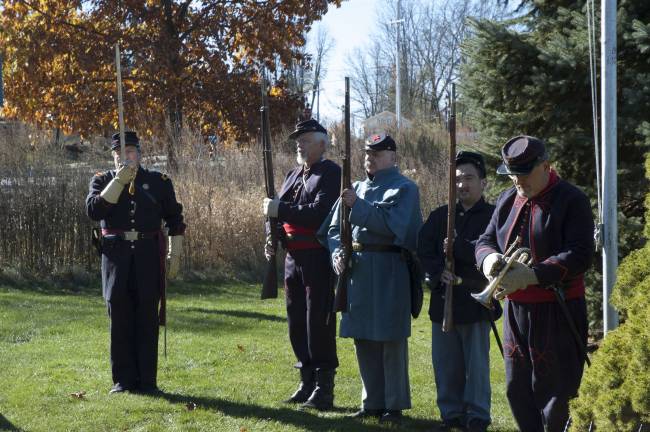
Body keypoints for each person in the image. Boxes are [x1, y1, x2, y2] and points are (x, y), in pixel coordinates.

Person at [475, 136, 594, 432]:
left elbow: (580, 254)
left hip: (558, 312)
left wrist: (532, 275)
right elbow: (485, 240)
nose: (517, 180)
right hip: (516, 314)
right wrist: (488, 261)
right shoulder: (506, 199)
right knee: (517, 391)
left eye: (524, 173)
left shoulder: (572, 199)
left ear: (546, 166)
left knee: (557, 397)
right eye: (513, 174)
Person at [319, 133, 422, 424]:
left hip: (390, 267)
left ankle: (394, 404)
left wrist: (358, 206)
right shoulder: (356, 188)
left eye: (378, 152)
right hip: (358, 270)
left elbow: (395, 228)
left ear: (393, 156)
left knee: (391, 339)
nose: (370, 157)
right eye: (367, 152)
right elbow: (334, 229)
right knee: (362, 337)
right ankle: (372, 402)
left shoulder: (405, 189)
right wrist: (337, 252)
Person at [86, 131, 186, 394]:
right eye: (119, 153)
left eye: (130, 151)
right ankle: (122, 380)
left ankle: (148, 381)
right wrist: (118, 182)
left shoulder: (158, 181)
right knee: (119, 318)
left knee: (146, 318)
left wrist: (175, 253)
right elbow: (94, 211)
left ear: (140, 154)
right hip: (115, 257)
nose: (125, 157)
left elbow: (175, 219)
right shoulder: (102, 180)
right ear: (113, 156)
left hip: (147, 256)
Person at [418, 151, 499, 432]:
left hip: (475, 304)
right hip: (444, 301)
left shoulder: (493, 216)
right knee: (446, 365)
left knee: (476, 367)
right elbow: (424, 250)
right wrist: (438, 271)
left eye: (468, 178)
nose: (462, 185)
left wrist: (457, 246)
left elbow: (489, 254)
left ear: (483, 183)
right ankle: (450, 415)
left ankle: (477, 416)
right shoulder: (440, 215)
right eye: (457, 180)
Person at [262, 119, 340, 410]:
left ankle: (323, 387)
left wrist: (279, 209)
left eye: (306, 139)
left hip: (317, 256)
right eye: (299, 140)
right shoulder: (293, 174)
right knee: (296, 320)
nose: (300, 144)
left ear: (322, 143)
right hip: (293, 257)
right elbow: (275, 214)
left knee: (317, 321)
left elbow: (319, 213)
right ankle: (306, 380)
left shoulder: (331, 173)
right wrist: (272, 235)